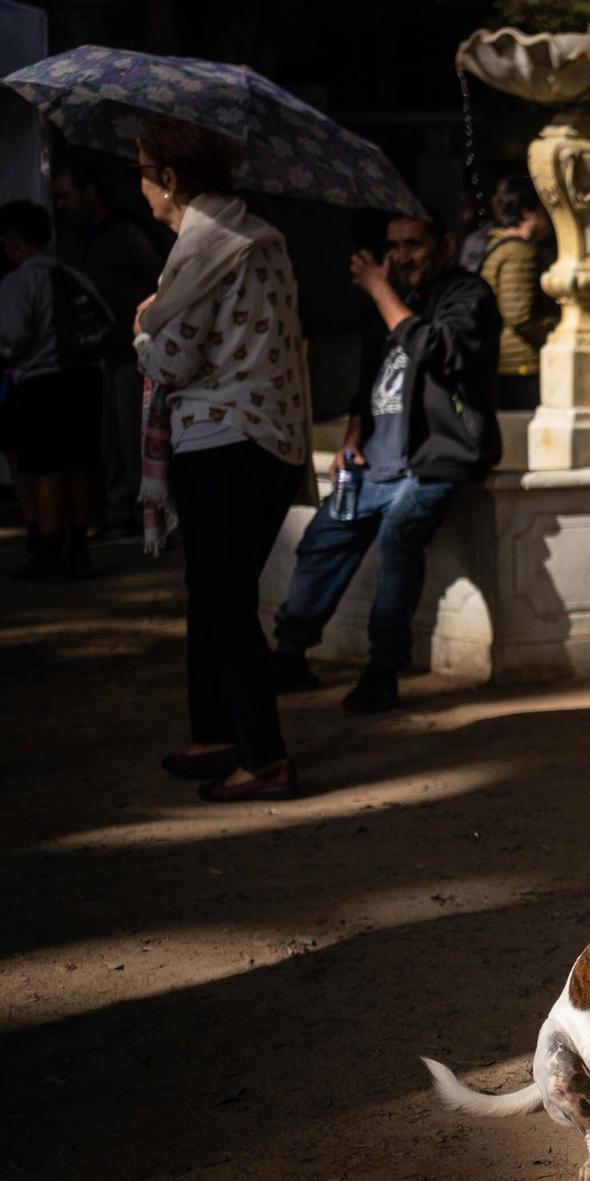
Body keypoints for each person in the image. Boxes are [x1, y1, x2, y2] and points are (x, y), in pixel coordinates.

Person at [132, 118, 310, 802]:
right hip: (269, 442)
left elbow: (174, 359)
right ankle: (218, 733)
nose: (140, 185)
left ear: (170, 179)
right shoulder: (259, 237)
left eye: (144, 170)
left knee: (225, 600)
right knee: (212, 595)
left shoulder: (203, 247)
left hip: (222, 439)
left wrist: (143, 330)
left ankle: (264, 756)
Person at [270, 206, 501, 714]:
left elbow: (437, 352)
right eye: (395, 246)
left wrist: (380, 291)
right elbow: (372, 381)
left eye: (414, 245)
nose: (401, 257)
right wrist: (354, 436)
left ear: (444, 245)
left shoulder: (469, 297)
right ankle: (289, 655)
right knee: (324, 537)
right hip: (375, 461)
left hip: (435, 460)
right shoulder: (396, 299)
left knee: (399, 536)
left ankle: (383, 671)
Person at [0, 200, 109, 580]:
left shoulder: (19, 281)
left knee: (46, 469)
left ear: (13, 242)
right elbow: (105, 320)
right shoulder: (73, 276)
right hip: (86, 379)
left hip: (43, 383)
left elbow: (11, 338)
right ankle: (79, 549)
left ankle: (48, 552)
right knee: (77, 467)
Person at [54, 160, 163, 540]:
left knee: (133, 440)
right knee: (110, 443)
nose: (62, 205)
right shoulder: (77, 239)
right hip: (98, 357)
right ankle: (121, 514)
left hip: (130, 356)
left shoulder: (126, 236)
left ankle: (141, 516)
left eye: (67, 195)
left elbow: (159, 286)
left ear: (90, 192)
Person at [478, 174, 557, 412]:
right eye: (545, 210)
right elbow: (519, 314)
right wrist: (559, 331)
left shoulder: (499, 247)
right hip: (519, 365)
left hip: (506, 363)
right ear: (527, 213)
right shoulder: (518, 252)